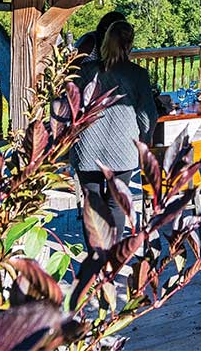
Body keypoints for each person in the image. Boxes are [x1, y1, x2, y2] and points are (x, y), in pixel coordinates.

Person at [69, 20, 158, 246]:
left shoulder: (85, 71)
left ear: (104, 41)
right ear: (130, 44)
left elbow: (69, 105)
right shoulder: (137, 74)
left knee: (92, 204)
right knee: (116, 204)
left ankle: (95, 257)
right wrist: (145, 143)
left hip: (86, 148)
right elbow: (148, 116)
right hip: (123, 150)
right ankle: (111, 258)